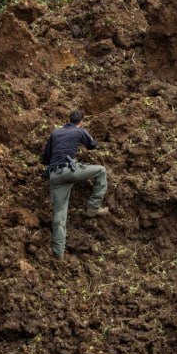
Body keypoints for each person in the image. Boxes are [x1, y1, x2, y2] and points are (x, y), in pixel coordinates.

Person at [39, 110, 109, 259]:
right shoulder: (79, 131)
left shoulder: (56, 133)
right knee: (101, 171)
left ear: (68, 120)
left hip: (55, 176)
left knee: (59, 215)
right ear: (81, 122)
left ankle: (59, 255)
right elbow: (91, 145)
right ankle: (93, 208)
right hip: (69, 170)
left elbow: (44, 159)